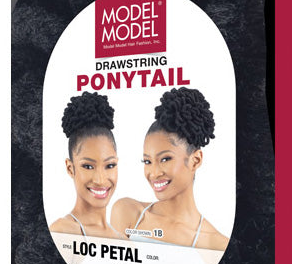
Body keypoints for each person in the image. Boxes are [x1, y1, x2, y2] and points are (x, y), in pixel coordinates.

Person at [112, 87, 228, 251]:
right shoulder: (127, 212)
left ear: (195, 161)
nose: (154, 173)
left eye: (165, 159)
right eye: (147, 161)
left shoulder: (216, 244)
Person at [49, 92, 125, 240]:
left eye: (110, 165)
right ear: (70, 168)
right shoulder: (63, 232)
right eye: (88, 166)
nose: (100, 180)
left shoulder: (123, 240)